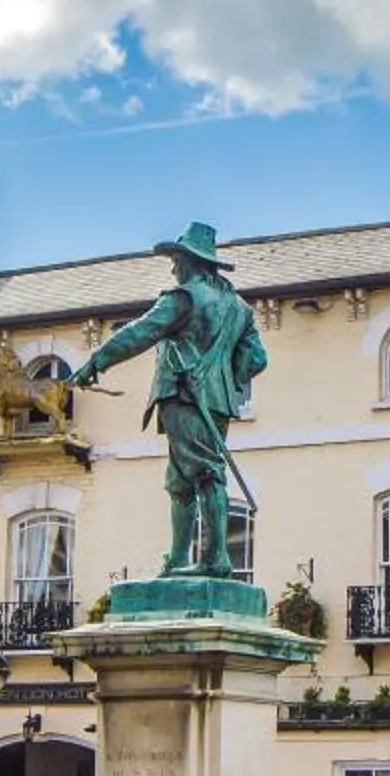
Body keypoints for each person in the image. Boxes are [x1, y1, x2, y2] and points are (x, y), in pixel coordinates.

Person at [76, 222, 267, 578]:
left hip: (185, 396)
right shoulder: (240, 308)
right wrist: (223, 376)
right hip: (217, 401)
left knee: (205, 474)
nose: (173, 267)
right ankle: (180, 558)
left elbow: (140, 332)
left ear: (193, 262)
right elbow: (256, 359)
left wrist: (95, 361)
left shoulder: (184, 298)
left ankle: (214, 559)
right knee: (182, 478)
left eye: (176, 259)